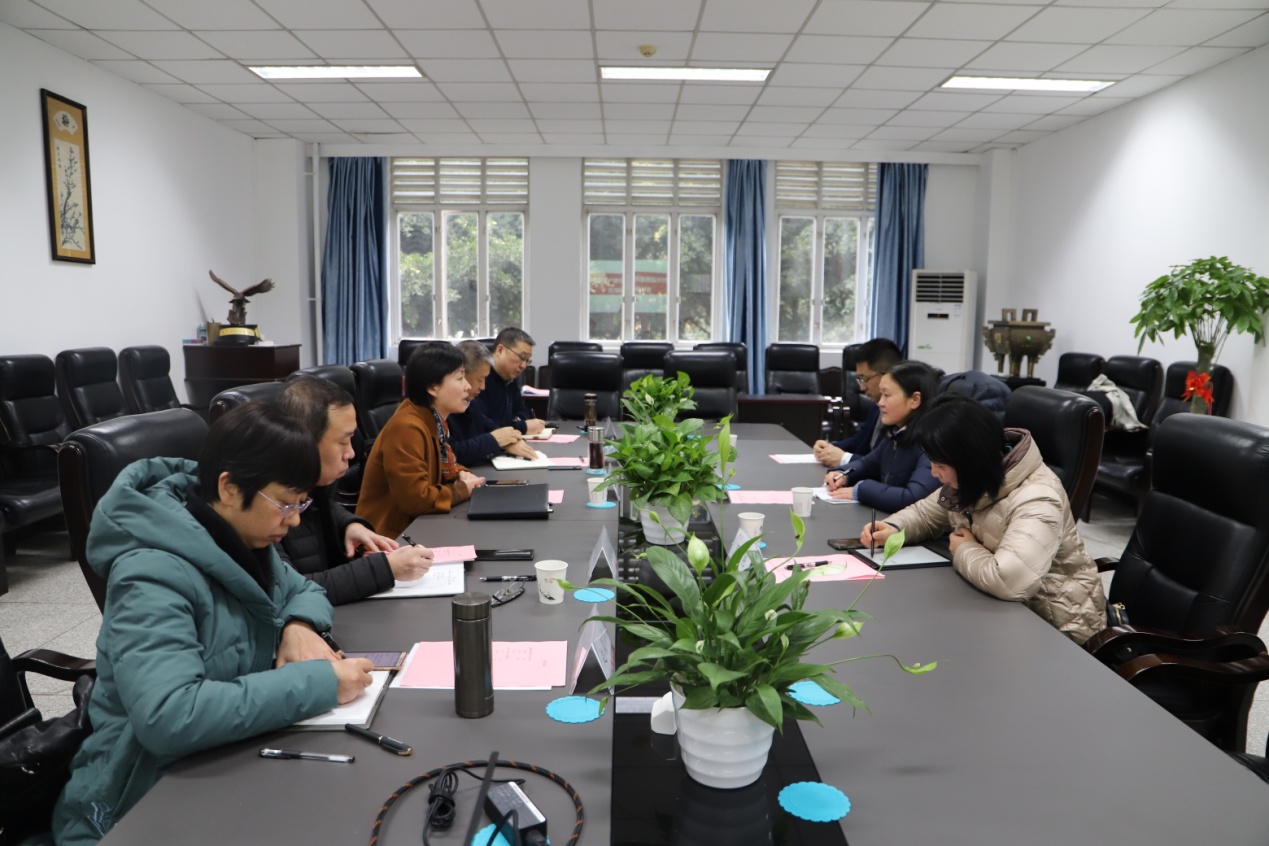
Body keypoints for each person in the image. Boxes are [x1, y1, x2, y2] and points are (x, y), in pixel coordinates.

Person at [52, 404, 375, 846]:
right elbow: (169, 716)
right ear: (228, 487)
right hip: (136, 802)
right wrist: (319, 684)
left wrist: (297, 626)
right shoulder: (150, 575)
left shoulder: (241, 535)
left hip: (225, 761)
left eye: (300, 503)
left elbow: (306, 590)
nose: (295, 519)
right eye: (285, 503)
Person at [861, 394, 1106, 644]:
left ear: (970, 460)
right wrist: (893, 527)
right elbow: (926, 514)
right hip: (997, 610)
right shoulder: (974, 478)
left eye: (940, 465)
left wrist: (964, 548)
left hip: (1058, 627)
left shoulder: (1037, 498)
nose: (934, 473)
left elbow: (1009, 582)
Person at [277, 376, 434, 603]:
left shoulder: (310, 485)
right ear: (303, 442)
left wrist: (349, 525)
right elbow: (294, 591)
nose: (351, 453)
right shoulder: (265, 506)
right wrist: (386, 569)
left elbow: (322, 507)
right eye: (343, 442)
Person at [357, 342, 486, 538]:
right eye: (460, 378)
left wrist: (460, 473)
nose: (468, 387)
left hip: (419, 528)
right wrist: (461, 490)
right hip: (391, 539)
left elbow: (445, 465)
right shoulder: (407, 427)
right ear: (433, 387)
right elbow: (416, 499)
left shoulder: (434, 420)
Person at [824, 361, 940, 511]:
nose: (880, 403)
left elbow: (912, 498)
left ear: (915, 400)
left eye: (886, 395)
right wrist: (842, 474)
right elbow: (867, 464)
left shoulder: (932, 442)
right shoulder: (896, 434)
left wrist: (861, 489)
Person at [813, 337, 902, 467]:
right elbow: (859, 441)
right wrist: (829, 448)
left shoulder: (903, 414)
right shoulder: (877, 407)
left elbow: (887, 466)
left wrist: (845, 459)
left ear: (886, 375)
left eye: (864, 379)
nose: (862, 388)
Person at [447, 339, 538, 465]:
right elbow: (450, 453)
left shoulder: (471, 402)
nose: (483, 387)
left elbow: (486, 425)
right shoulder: (442, 407)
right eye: (480, 380)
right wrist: (495, 440)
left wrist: (508, 439)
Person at [469, 327, 546, 436]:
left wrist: (516, 422)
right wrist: (521, 426)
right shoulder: (480, 380)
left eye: (527, 360)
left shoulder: (510, 377)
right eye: (521, 357)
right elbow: (484, 426)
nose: (524, 365)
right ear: (500, 350)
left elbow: (522, 411)